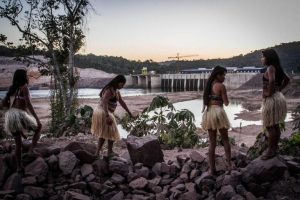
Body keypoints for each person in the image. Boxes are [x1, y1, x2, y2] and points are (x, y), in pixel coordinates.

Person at [2, 69, 42, 172]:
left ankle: (19, 167)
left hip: (11, 116)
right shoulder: (24, 88)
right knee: (38, 127)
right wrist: (37, 119)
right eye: (26, 75)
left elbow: (3, 104)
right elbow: (28, 104)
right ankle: (31, 150)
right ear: (23, 77)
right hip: (19, 114)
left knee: (18, 144)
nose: (28, 77)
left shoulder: (12, 89)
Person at [91, 75, 133, 157]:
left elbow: (122, 102)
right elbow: (104, 101)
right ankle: (107, 152)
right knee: (112, 131)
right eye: (122, 84)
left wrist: (129, 113)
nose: (122, 86)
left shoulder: (116, 91)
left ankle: (98, 152)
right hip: (102, 112)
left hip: (104, 111)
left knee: (106, 132)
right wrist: (107, 116)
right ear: (118, 82)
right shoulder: (109, 90)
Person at [202, 66, 232, 175]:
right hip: (218, 112)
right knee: (225, 139)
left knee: (212, 142)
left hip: (209, 113)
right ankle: (229, 165)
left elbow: (205, 101)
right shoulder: (221, 86)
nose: (224, 77)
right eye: (223, 75)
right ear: (217, 75)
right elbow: (227, 103)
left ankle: (212, 169)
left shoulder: (208, 85)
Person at [261, 49, 289, 160]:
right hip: (278, 97)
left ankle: (270, 151)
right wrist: (279, 89)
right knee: (275, 124)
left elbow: (271, 81)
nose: (262, 58)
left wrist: (269, 92)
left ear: (268, 57)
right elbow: (287, 79)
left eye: (263, 56)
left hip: (272, 99)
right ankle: (275, 148)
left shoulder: (271, 67)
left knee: (270, 125)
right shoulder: (278, 67)